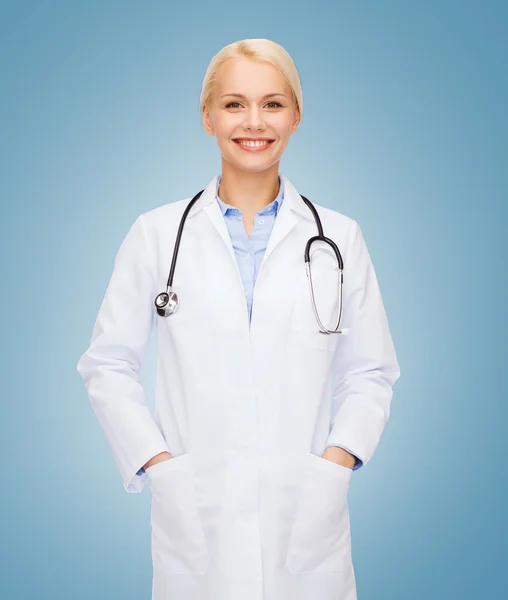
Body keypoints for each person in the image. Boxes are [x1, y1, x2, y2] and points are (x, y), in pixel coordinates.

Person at [77, 38, 401, 600]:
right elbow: (107, 364)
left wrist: (333, 466)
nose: (254, 122)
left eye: (273, 104)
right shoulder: (157, 235)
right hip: (196, 520)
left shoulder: (339, 238)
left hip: (307, 520)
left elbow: (370, 372)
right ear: (207, 117)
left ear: (297, 116)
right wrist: (159, 465)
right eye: (234, 104)